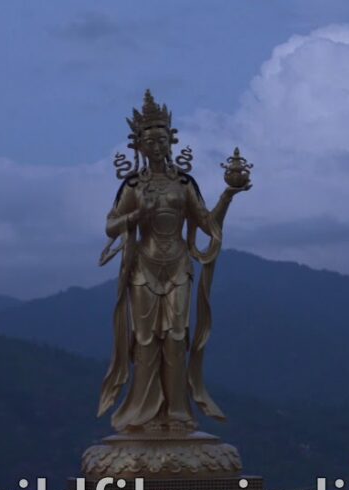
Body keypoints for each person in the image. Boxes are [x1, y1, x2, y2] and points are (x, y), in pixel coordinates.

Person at [98, 90, 251, 433]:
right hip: (144, 266)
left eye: (161, 139)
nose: (156, 146)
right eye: (149, 140)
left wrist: (229, 194)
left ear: (171, 141)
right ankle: (145, 412)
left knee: (177, 336)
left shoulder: (184, 184)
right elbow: (110, 225)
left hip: (179, 264)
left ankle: (178, 411)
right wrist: (137, 214)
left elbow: (207, 224)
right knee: (146, 338)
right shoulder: (133, 185)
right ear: (138, 145)